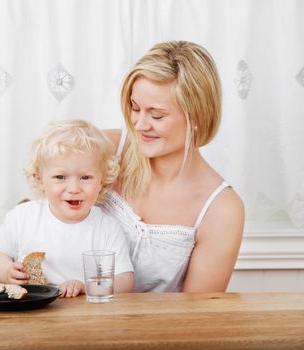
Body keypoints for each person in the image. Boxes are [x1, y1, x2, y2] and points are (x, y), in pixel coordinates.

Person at [100, 40, 244, 293]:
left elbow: (196, 316)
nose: (140, 124)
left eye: (157, 115)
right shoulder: (105, 150)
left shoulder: (221, 210)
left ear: (197, 117)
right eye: (135, 108)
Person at [0, 119, 134, 297]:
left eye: (85, 177)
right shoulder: (23, 217)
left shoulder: (107, 227)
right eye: (60, 177)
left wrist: (87, 286)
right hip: (30, 312)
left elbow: (125, 280)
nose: (74, 189)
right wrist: (7, 271)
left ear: (102, 180)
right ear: (39, 178)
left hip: (84, 316)